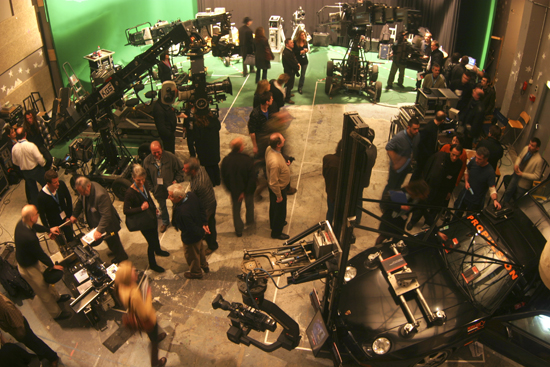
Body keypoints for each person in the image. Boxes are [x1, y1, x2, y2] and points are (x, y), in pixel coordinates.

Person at [15, 205, 72, 321]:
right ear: (31, 217)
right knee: (43, 290)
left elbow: (35, 226)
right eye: (36, 213)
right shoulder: (29, 237)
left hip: (32, 260)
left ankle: (56, 297)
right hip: (28, 268)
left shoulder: (22, 223)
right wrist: (52, 265)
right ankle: (56, 314)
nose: (38, 215)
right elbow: (40, 254)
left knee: (46, 282)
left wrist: (48, 230)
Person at [115, 261, 167, 366]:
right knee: (154, 344)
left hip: (136, 314)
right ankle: (156, 363)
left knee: (152, 335)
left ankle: (154, 337)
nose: (136, 273)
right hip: (147, 320)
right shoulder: (134, 294)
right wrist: (148, 295)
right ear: (128, 278)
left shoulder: (121, 287)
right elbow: (145, 313)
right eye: (133, 272)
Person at [70, 177, 129, 264]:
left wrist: (99, 230)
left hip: (109, 225)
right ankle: (115, 251)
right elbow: (80, 201)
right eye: (80, 192)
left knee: (114, 240)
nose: (82, 194)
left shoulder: (100, 195)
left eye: (83, 192)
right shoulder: (85, 190)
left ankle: (122, 257)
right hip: (98, 222)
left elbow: (106, 216)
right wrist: (75, 215)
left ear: (88, 186)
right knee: (109, 241)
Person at [124, 164, 169, 273]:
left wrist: (154, 208)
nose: (141, 182)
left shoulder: (144, 185)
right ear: (133, 178)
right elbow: (126, 211)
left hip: (151, 216)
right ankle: (153, 264)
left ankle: (158, 251)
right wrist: (141, 208)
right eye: (138, 180)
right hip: (143, 221)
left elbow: (148, 197)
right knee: (151, 242)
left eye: (143, 179)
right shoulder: (129, 193)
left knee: (155, 236)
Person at [407, 145, 463, 229]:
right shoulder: (439, 156)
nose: (454, 158)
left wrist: (449, 191)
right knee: (422, 204)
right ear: (450, 151)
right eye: (453, 154)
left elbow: (453, 179)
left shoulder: (459, 164)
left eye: (457, 156)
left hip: (442, 190)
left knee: (435, 208)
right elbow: (427, 168)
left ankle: (428, 224)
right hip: (430, 187)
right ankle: (413, 221)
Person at [0, 293, 60, 366]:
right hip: (16, 329)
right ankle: (41, 354)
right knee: (32, 345)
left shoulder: (6, 308)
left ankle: (53, 357)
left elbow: (18, 325)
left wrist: (20, 336)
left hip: (21, 330)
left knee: (35, 342)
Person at [168, 184, 210, 279]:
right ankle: (204, 265)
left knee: (192, 255)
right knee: (200, 250)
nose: (168, 197)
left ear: (179, 197)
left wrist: (201, 232)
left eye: (170, 196)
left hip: (191, 237)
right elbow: (201, 208)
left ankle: (196, 273)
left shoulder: (182, 212)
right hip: (199, 231)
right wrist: (204, 223)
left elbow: (190, 228)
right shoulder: (191, 195)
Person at [143, 141, 184, 233]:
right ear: (151, 151)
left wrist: (176, 181)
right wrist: (152, 188)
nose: (157, 154)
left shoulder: (171, 157)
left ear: (162, 149)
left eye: (158, 152)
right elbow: (146, 177)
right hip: (158, 189)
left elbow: (181, 169)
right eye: (154, 152)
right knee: (162, 206)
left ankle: (176, 221)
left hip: (171, 189)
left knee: (176, 205)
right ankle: (165, 222)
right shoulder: (147, 161)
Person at [376, 180, 430, 245]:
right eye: (423, 194)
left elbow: (426, 214)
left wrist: (436, 231)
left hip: (400, 222)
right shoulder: (403, 193)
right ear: (418, 192)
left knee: (397, 240)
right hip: (390, 219)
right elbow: (387, 203)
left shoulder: (419, 200)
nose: (424, 197)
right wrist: (400, 206)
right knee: (382, 236)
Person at [221, 138, 256, 237]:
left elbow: (224, 177)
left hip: (234, 191)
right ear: (241, 148)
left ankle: (239, 230)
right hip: (247, 191)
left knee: (236, 210)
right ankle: (250, 221)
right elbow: (252, 178)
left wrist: (232, 190)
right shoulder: (247, 160)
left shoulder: (226, 160)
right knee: (249, 205)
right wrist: (245, 192)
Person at [183, 157, 218, 255]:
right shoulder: (201, 168)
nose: (183, 170)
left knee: (208, 226)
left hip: (207, 208)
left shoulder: (199, 184)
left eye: (186, 169)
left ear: (193, 170)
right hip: (210, 202)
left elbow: (192, 198)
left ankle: (212, 245)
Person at [454, 146, 501, 214]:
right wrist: (466, 182)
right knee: (457, 213)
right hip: (465, 194)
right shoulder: (473, 161)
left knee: (470, 219)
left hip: (476, 201)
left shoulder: (490, 172)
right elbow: (467, 171)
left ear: (486, 159)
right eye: (476, 157)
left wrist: (495, 200)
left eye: (479, 159)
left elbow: (492, 189)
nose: (476, 160)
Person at [383, 118, 421, 195]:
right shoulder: (399, 137)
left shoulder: (417, 136)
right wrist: (396, 161)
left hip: (406, 167)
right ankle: (383, 203)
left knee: (398, 186)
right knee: (391, 186)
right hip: (396, 169)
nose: (416, 131)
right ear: (408, 127)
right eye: (414, 129)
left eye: (418, 129)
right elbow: (388, 147)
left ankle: (393, 203)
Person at [37, 169, 74, 247]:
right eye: (55, 182)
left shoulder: (62, 185)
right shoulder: (41, 197)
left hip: (66, 219)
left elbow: (68, 199)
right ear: (48, 183)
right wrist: (49, 230)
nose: (58, 184)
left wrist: (69, 216)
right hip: (54, 224)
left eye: (57, 181)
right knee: (62, 245)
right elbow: (42, 216)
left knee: (71, 239)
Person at [11, 127, 46, 205]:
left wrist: (22, 164)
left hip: (26, 172)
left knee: (33, 191)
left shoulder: (14, 148)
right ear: (25, 134)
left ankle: (37, 208)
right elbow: (39, 158)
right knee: (46, 186)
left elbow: (15, 162)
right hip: (36, 170)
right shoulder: (31, 145)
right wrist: (43, 165)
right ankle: (50, 202)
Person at [266, 133, 292, 240]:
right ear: (278, 144)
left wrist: (285, 163)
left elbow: (279, 158)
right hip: (278, 189)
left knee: (274, 208)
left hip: (275, 188)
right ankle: (276, 232)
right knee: (280, 210)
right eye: (282, 140)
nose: (285, 140)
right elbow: (273, 182)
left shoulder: (269, 149)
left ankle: (274, 223)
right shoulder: (275, 162)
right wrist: (279, 196)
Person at [502, 138, 544, 203]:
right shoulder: (526, 148)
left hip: (524, 183)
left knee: (518, 199)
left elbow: (537, 176)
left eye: (532, 145)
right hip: (515, 176)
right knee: (508, 191)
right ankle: (503, 205)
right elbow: (520, 157)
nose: (529, 146)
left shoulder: (539, 160)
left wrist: (522, 174)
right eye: (530, 144)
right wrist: (516, 164)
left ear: (537, 148)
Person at [411, 111, 446, 181]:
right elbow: (421, 143)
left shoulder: (433, 125)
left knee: (420, 172)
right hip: (423, 156)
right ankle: (411, 185)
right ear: (442, 120)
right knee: (418, 171)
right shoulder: (430, 128)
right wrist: (428, 154)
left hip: (426, 154)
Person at [152, 86, 186, 154]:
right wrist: (170, 135)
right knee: (169, 153)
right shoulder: (159, 109)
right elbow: (161, 127)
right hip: (168, 136)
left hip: (170, 134)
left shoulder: (163, 104)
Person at [193, 111, 221, 186]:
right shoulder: (214, 120)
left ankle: (212, 183)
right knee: (215, 165)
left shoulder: (197, 124)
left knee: (208, 167)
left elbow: (196, 138)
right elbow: (219, 127)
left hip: (204, 150)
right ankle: (217, 181)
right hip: (214, 147)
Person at [248, 91, 274, 157]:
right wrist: (255, 146)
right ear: (267, 102)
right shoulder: (255, 114)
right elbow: (252, 132)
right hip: (261, 139)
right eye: (271, 98)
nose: (272, 99)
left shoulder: (271, 108)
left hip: (270, 136)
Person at [323, 140, 342, 224]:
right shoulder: (344, 164)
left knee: (330, 212)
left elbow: (324, 173)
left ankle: (328, 227)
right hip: (339, 194)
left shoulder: (327, 158)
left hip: (330, 191)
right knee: (337, 213)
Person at [282, 38, 300, 104]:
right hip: (289, 71)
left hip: (291, 71)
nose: (293, 44)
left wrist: (297, 64)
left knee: (290, 84)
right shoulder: (287, 53)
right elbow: (291, 63)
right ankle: (287, 98)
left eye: (293, 42)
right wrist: (297, 67)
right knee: (288, 85)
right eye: (291, 43)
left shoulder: (290, 51)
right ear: (287, 44)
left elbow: (294, 59)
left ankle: (288, 94)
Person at [293, 30, 309, 94]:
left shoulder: (305, 42)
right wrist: (300, 52)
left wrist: (306, 50)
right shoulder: (295, 42)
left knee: (303, 75)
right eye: (302, 35)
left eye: (304, 35)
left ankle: (300, 88)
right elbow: (294, 52)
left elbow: (306, 48)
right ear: (299, 36)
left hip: (304, 61)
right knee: (293, 74)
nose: (303, 36)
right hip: (297, 60)